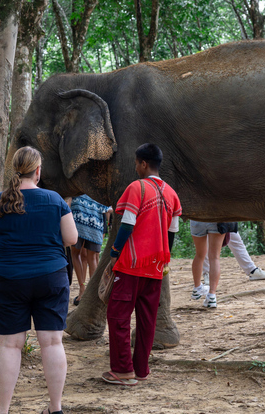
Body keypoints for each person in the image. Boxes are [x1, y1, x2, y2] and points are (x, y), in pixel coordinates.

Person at [0, 146, 78, 414]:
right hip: (51, 278)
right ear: (38, 171)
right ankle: (55, 408)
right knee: (52, 342)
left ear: (15, 169)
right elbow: (71, 239)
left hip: (10, 279)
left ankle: (2, 410)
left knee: (10, 346)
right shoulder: (55, 199)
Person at [103, 143, 182, 386]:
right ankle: (141, 369)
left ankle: (123, 370)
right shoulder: (171, 193)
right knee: (147, 319)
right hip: (156, 267)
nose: (135, 167)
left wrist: (115, 251)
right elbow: (172, 232)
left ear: (144, 164)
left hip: (131, 265)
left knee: (117, 315)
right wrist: (163, 257)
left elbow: (127, 223)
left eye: (137, 163)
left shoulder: (137, 188)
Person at [191, 231, 265, 300]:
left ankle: (252, 270)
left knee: (234, 237)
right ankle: (208, 274)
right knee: (207, 242)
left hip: (225, 214)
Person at [69, 195, 111, 305]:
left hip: (77, 218)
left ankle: (82, 289)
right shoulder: (97, 187)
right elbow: (107, 208)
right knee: (91, 258)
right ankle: (91, 292)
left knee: (77, 254)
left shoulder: (78, 187)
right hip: (94, 221)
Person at [189, 221, 224, 308]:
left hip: (197, 219)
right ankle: (211, 295)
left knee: (199, 254)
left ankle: (197, 288)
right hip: (217, 219)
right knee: (214, 257)